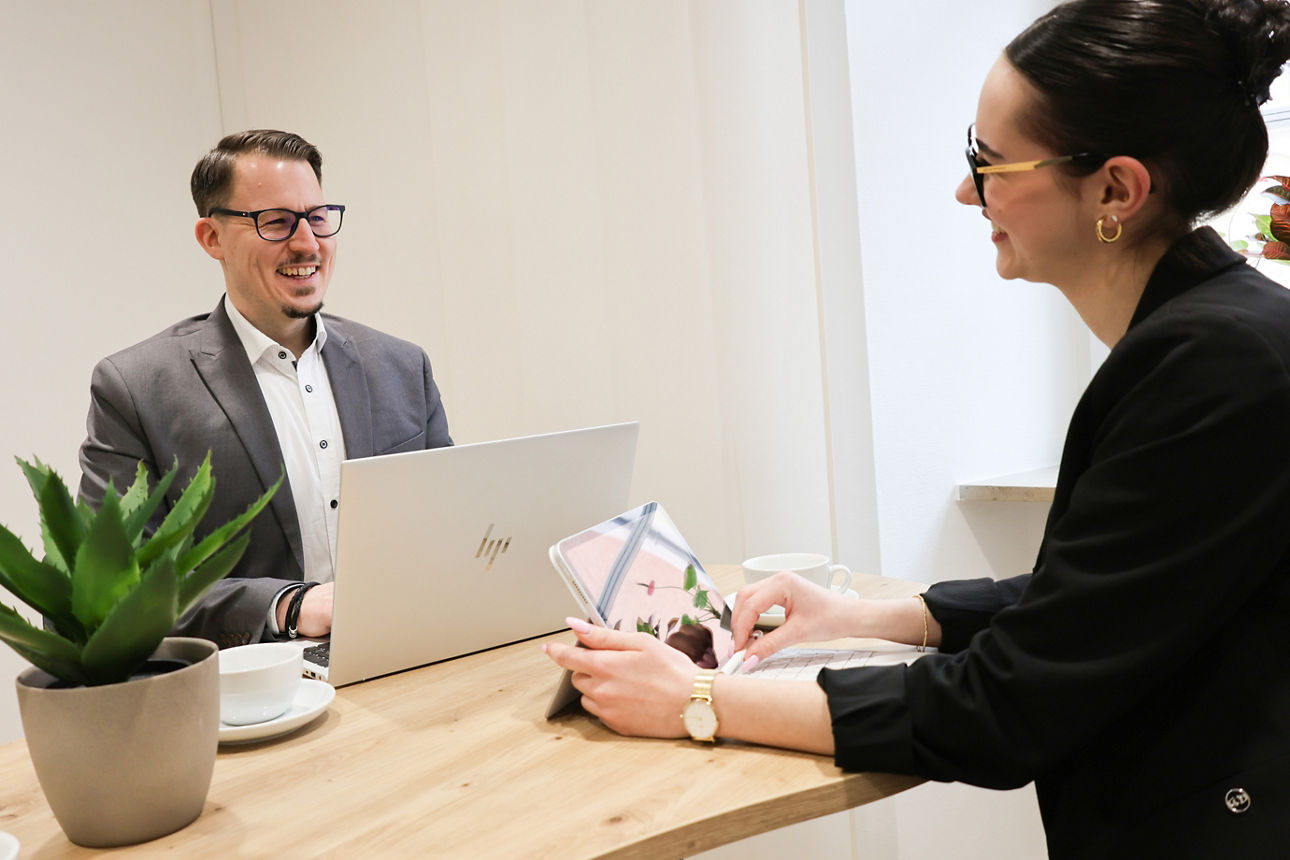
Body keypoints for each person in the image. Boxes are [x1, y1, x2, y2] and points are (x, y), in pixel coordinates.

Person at [543, 0, 1290, 855]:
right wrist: (863, 615)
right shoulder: (1212, 339)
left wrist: (697, 702)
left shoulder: (1218, 366)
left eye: (993, 161)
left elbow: (1007, 708)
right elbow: (1107, 599)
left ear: (1115, 188)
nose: (967, 189)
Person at [78, 130, 452, 648]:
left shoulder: (402, 367)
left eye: (317, 218)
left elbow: (452, 530)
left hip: (412, 661)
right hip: (254, 699)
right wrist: (289, 605)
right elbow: (114, 586)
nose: (307, 243)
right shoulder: (136, 389)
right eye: (275, 222)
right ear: (212, 238)